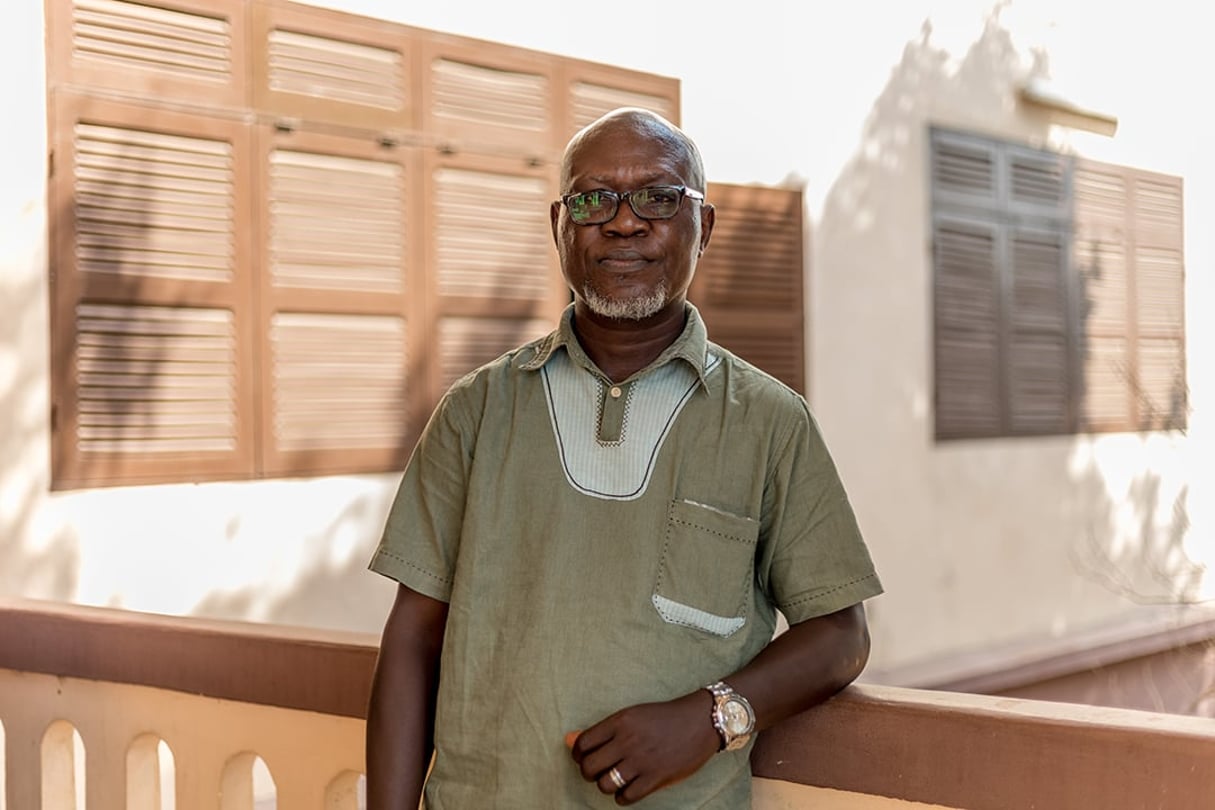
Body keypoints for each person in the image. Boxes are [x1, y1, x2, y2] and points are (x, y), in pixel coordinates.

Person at [365, 107, 882, 809]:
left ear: (705, 226)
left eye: (659, 198)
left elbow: (839, 635)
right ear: (558, 225)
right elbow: (412, 638)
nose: (624, 221)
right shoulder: (477, 412)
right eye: (592, 199)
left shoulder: (767, 422)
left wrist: (710, 717)